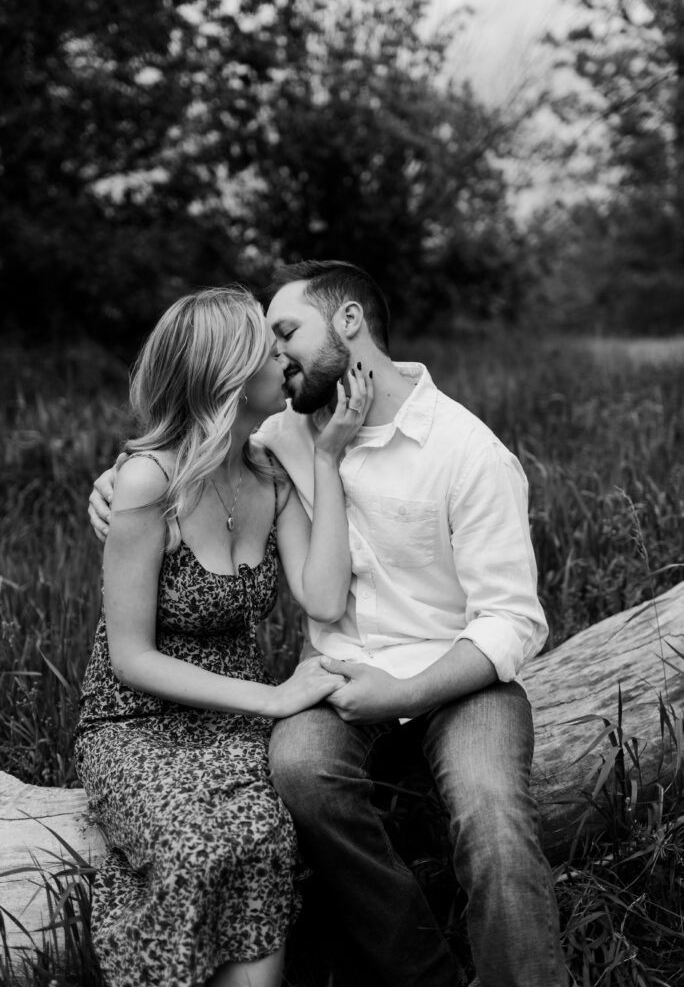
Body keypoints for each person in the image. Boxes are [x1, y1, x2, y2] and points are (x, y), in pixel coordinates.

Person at [89, 262, 567, 987]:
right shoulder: (283, 429)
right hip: (337, 674)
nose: (276, 356)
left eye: (286, 334)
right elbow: (185, 443)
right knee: (300, 772)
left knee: (495, 820)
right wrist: (114, 485)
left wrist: (405, 694)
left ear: (348, 324)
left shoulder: (468, 453)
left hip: (459, 675)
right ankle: (422, 975)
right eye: (267, 342)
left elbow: (511, 620)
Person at [76, 285, 373, 987]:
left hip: (228, 723)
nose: (284, 359)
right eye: (269, 350)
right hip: (135, 719)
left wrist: (327, 462)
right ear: (233, 376)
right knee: (191, 840)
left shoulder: (269, 475)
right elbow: (130, 658)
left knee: (262, 835)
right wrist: (272, 700)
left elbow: (324, 594)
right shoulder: (149, 483)